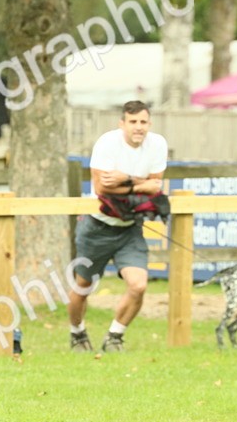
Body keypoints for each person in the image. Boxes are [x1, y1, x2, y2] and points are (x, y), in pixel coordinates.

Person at [67, 101, 167, 353]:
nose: (138, 127)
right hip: (96, 226)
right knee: (82, 288)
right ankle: (77, 334)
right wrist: (139, 185)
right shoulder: (107, 143)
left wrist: (125, 179)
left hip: (130, 227)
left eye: (143, 122)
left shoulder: (157, 144)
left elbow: (156, 186)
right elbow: (102, 188)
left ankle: (114, 336)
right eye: (133, 122)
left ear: (149, 124)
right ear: (122, 123)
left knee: (139, 285)